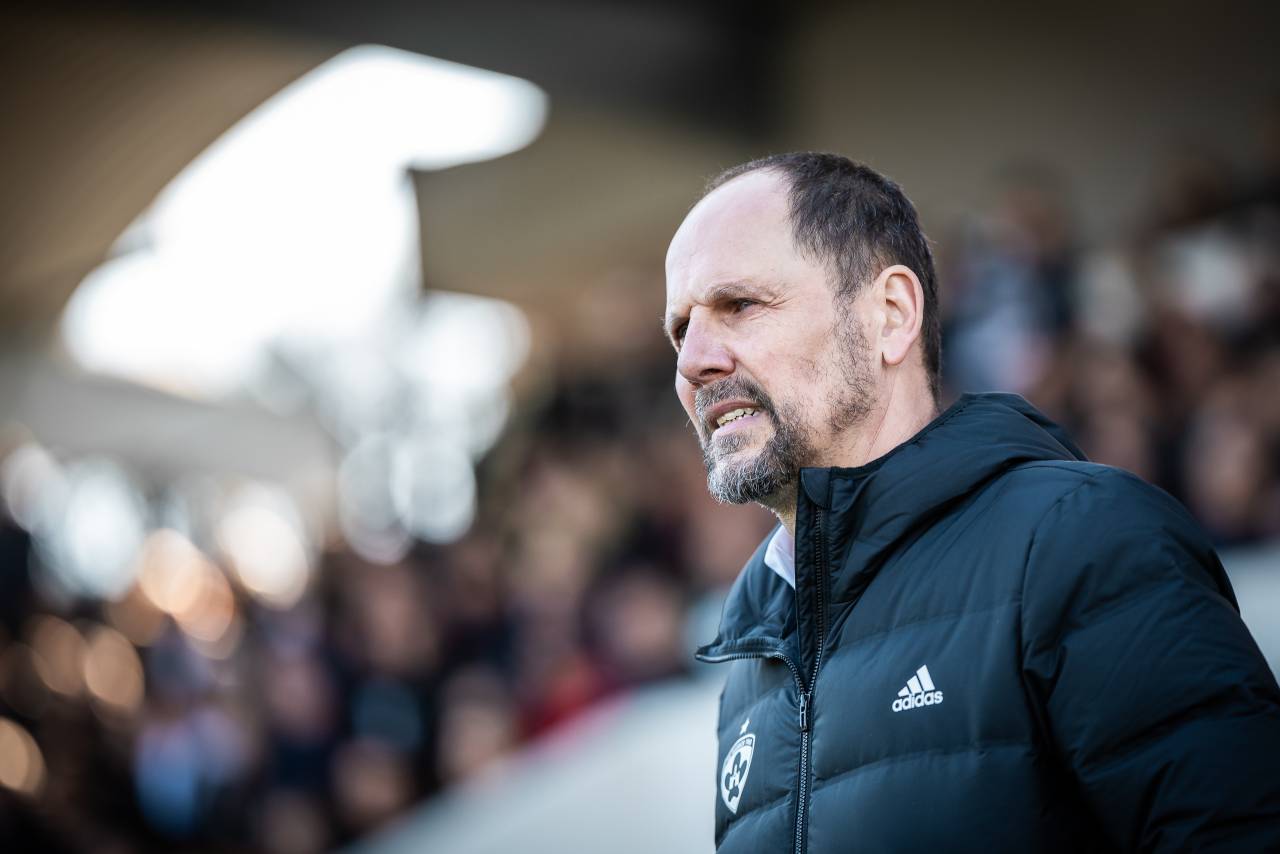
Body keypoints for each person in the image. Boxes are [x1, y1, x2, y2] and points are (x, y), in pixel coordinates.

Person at [663, 152, 1280, 852]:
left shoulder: (1080, 540)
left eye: (740, 305)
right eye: (681, 329)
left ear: (890, 315)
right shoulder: (753, 658)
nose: (693, 361)